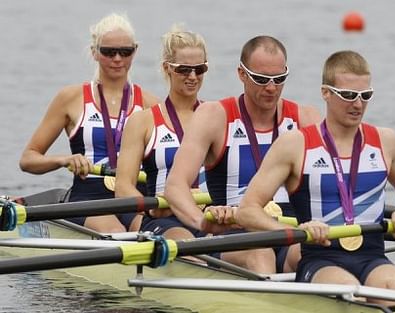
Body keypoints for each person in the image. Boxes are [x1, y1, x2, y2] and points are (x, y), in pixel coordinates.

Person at [235, 50, 395, 305]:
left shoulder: (385, 141)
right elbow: (247, 210)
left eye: (365, 96)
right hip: (320, 260)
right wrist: (294, 230)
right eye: (348, 95)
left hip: (373, 257)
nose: (358, 104)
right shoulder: (295, 145)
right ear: (326, 92)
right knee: (349, 291)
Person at [164, 35, 322, 273]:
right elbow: (175, 186)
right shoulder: (214, 116)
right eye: (260, 79)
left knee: (319, 253)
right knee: (260, 254)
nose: (271, 88)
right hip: (233, 234)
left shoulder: (306, 118)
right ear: (241, 74)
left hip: (288, 232)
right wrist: (202, 222)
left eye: (279, 79)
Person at [18, 13, 159, 233]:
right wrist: (64, 160)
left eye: (125, 51)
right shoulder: (71, 98)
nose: (117, 59)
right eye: (108, 52)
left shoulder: (151, 104)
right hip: (88, 197)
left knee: (149, 232)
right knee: (117, 234)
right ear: (94, 52)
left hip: (134, 196)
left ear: (135, 51)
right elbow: (28, 159)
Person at [115, 24, 208, 237]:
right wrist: (151, 206)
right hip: (165, 219)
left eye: (200, 69)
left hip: (208, 216)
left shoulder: (216, 117)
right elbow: (122, 188)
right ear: (167, 67)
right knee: (186, 242)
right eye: (184, 69)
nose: (193, 76)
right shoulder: (143, 122)